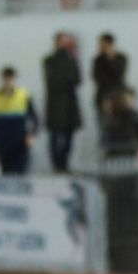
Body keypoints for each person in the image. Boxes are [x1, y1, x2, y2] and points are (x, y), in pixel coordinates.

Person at [42, 31, 82, 173]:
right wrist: (67, 77)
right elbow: (53, 81)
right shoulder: (49, 60)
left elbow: (77, 80)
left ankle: (64, 164)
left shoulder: (72, 59)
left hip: (70, 105)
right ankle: (56, 164)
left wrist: (73, 59)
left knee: (69, 136)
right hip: (56, 105)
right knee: (55, 137)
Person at [0, 66, 38, 175]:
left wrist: (32, 135)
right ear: (2, 79)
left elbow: (34, 118)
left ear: (14, 79)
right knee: (4, 172)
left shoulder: (24, 95)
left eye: (10, 79)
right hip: (3, 141)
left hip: (20, 140)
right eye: (6, 79)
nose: (8, 82)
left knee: (21, 171)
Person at [92, 32, 128, 106]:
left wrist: (109, 57)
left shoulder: (121, 58)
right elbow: (97, 77)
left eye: (103, 45)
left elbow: (118, 74)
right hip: (102, 95)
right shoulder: (98, 60)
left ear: (111, 44)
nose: (101, 47)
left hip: (118, 95)